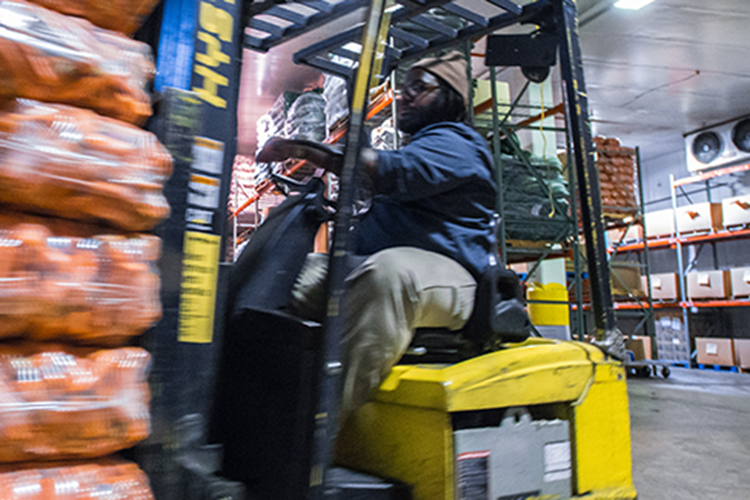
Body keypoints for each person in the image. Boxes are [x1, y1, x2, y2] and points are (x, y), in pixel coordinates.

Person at [256, 51, 498, 421]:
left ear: (450, 96)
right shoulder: (422, 143)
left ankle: (322, 430)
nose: (404, 95)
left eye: (419, 87)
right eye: (403, 87)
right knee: (288, 275)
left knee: (390, 275)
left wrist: (311, 152)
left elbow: (396, 171)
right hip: (390, 262)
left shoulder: (459, 142)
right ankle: (262, 402)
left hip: (455, 276)